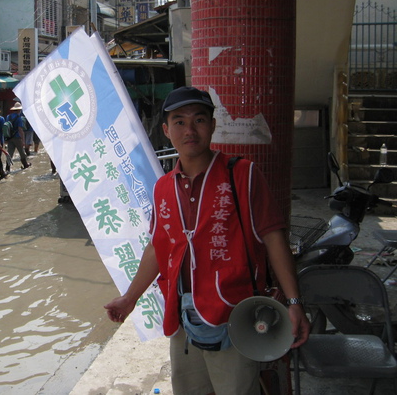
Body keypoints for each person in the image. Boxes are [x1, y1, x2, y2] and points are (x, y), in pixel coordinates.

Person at [104, 87, 310, 395]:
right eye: (179, 122)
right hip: (182, 320)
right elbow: (159, 248)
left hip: (235, 317)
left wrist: (294, 303)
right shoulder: (163, 187)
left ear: (212, 125)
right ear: (166, 130)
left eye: (199, 120)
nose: (190, 130)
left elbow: (273, 237)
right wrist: (130, 298)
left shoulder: (243, 174)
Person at [5, 102, 31, 171]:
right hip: (17, 137)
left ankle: (7, 168)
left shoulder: (8, 117)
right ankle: (25, 164)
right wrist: (23, 141)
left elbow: (6, 127)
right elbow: (20, 130)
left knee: (10, 153)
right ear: (19, 110)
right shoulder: (19, 118)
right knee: (22, 152)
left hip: (10, 137)